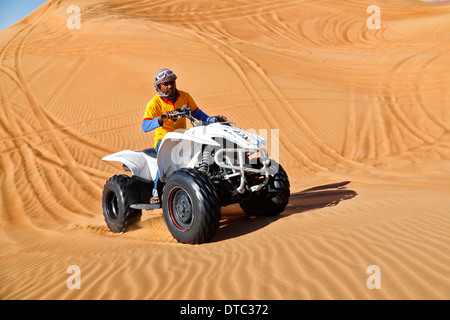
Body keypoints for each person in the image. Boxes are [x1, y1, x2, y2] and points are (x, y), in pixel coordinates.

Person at [142, 68, 226, 204]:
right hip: (164, 140)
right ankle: (156, 191)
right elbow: (145, 127)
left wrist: (212, 120)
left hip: (185, 137)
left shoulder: (184, 96)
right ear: (159, 86)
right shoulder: (154, 103)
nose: (170, 86)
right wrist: (160, 118)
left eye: (172, 82)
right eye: (166, 84)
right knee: (166, 159)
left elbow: (198, 114)